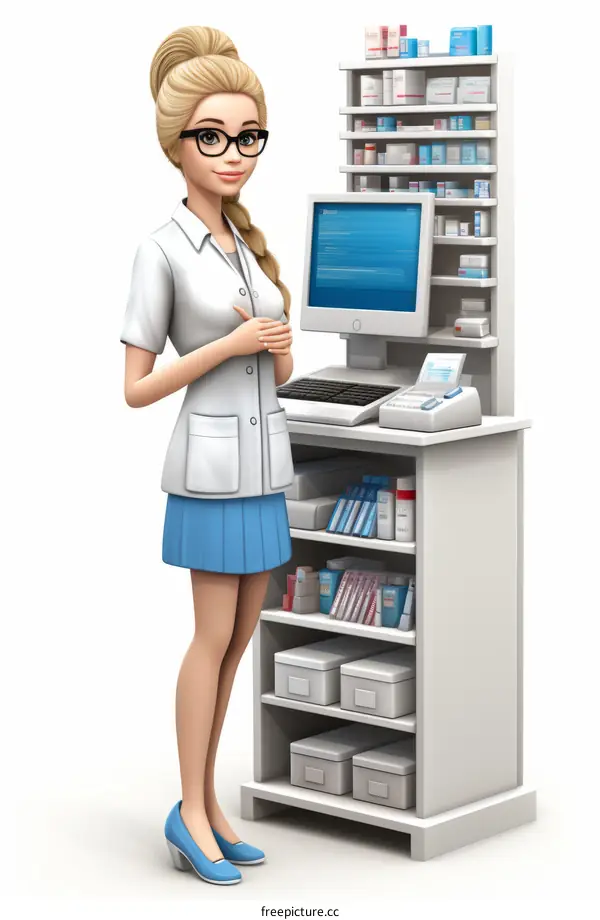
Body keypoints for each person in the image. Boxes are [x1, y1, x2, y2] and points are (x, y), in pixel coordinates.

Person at [120, 24, 294, 886]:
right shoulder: (161, 250)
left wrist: (277, 346)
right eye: (214, 137)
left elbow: (277, 360)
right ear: (178, 141)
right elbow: (137, 388)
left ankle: (207, 801)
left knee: (242, 641)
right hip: (209, 472)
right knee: (211, 637)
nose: (234, 153)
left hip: (265, 466)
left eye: (248, 136)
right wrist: (226, 350)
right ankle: (188, 812)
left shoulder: (244, 244)